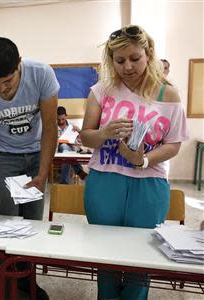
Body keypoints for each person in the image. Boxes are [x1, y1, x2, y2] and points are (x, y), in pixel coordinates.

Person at [80, 25, 188, 300]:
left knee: (142, 258)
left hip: (149, 184)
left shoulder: (168, 94)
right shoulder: (102, 90)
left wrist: (143, 160)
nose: (127, 66)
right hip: (105, 180)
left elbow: (174, 144)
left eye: (135, 59)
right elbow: (85, 138)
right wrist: (104, 133)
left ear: (148, 53)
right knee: (106, 258)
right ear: (111, 59)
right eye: (119, 60)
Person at [0, 37, 59, 300]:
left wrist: (42, 172)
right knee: (4, 226)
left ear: (19, 64)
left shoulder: (41, 74)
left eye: (7, 81)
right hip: (3, 156)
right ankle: (2, 290)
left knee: (31, 226)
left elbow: (51, 127)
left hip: (36, 153)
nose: (2, 90)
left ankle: (27, 283)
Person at [57, 106, 88, 183]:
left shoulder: (72, 126)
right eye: (58, 119)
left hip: (71, 149)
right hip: (57, 150)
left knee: (66, 152)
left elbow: (82, 140)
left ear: (66, 115)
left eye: (63, 119)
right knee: (64, 147)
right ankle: (79, 171)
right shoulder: (53, 126)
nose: (61, 121)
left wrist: (79, 131)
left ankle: (64, 182)